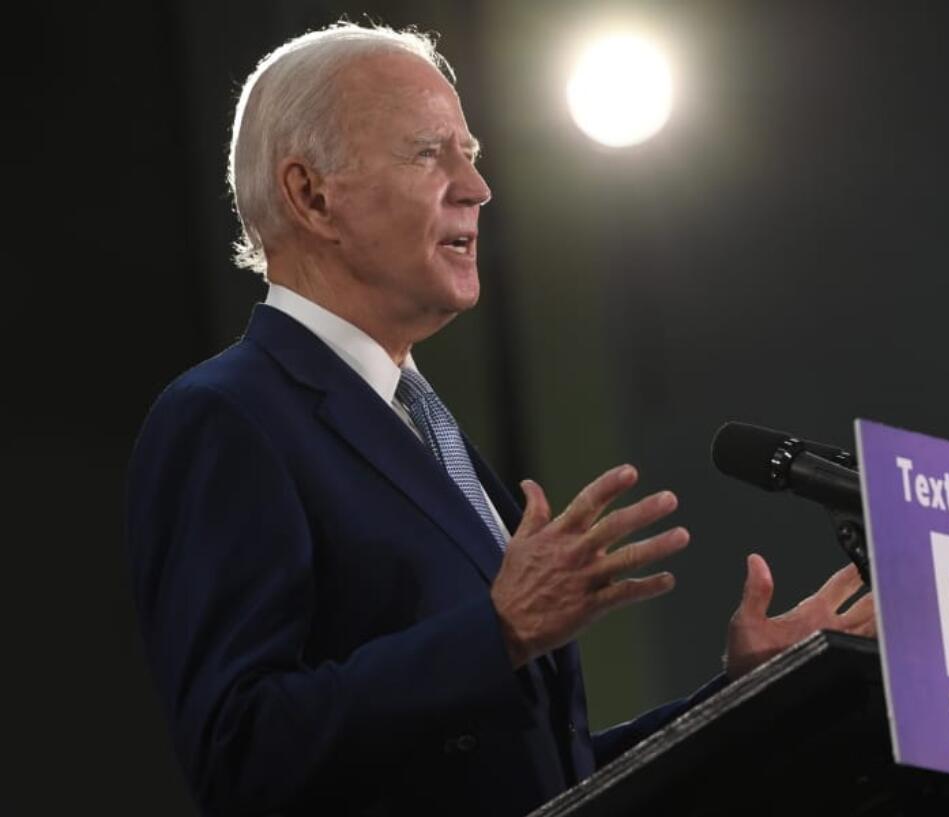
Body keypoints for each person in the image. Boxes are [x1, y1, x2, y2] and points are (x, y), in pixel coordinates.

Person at [126, 22, 875, 817]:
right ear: (312, 196)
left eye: (471, 154)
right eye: (428, 153)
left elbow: (550, 780)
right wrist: (495, 631)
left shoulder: (425, 429)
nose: (477, 188)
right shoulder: (227, 417)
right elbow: (239, 754)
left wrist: (741, 696)